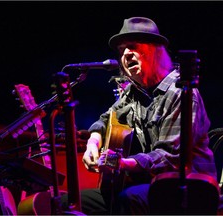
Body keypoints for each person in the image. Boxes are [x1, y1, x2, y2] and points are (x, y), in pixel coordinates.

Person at [62, 17, 218, 215]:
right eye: (121, 51)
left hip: (188, 189)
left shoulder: (180, 92)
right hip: (150, 186)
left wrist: (123, 163)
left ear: (155, 50)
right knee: (68, 202)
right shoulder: (134, 92)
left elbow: (170, 157)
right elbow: (106, 118)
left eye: (133, 46)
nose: (126, 54)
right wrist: (93, 142)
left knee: (130, 198)